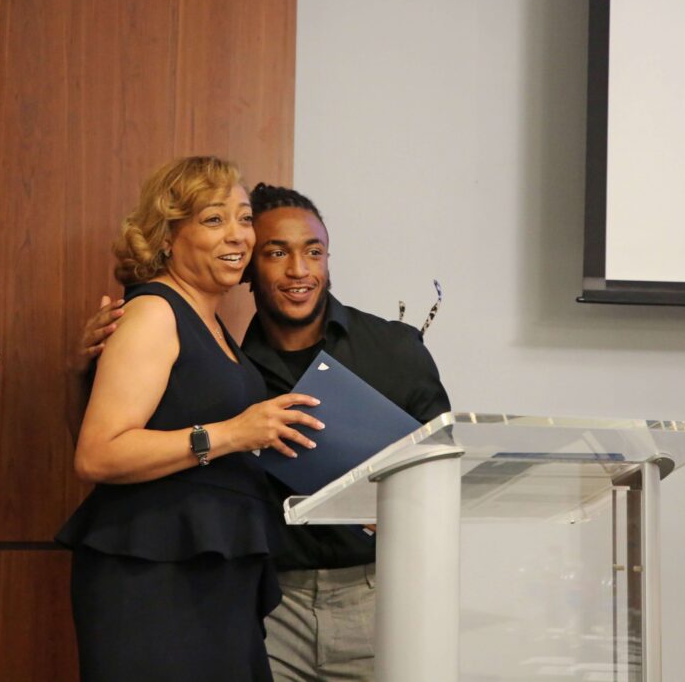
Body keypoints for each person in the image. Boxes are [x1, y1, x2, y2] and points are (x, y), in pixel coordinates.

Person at [75, 182, 451, 681]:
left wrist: (404, 507)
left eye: (314, 252)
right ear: (249, 267)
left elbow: (442, 469)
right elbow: (114, 444)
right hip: (269, 600)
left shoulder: (394, 349)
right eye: (276, 253)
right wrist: (87, 366)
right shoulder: (231, 367)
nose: (299, 270)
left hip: (372, 592)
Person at [56, 157, 323, 682]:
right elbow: (97, 455)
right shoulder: (155, 312)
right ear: (166, 236)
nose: (238, 235)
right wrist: (232, 433)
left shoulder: (212, 323)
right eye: (214, 219)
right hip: (155, 578)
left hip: (212, 574)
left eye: (244, 218)